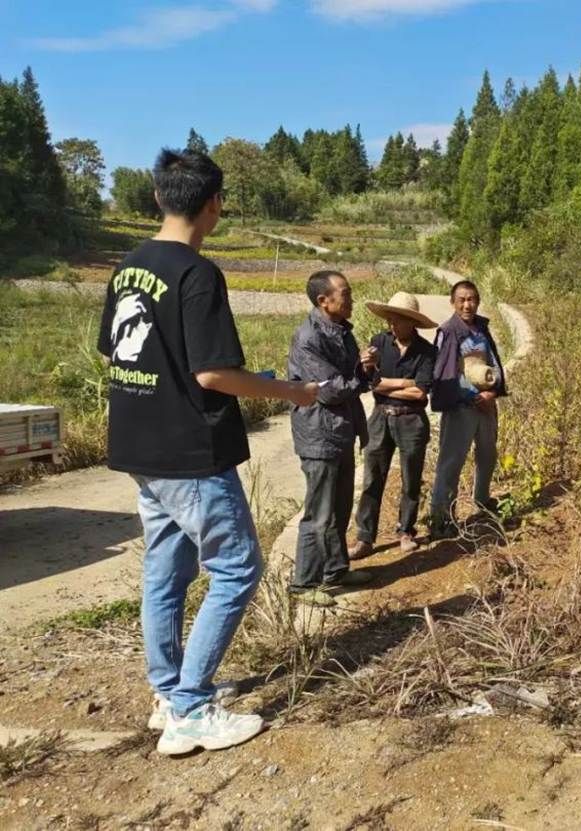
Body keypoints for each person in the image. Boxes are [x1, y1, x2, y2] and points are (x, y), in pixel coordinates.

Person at [96, 148, 318, 755]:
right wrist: (291, 391)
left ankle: (168, 691)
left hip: (139, 446)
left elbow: (113, 350)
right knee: (238, 567)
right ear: (214, 204)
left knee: (166, 571)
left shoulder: (128, 266)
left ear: (158, 198)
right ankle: (190, 710)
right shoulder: (197, 273)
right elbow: (213, 374)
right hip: (191, 451)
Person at [287, 270, 376, 607]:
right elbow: (327, 391)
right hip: (319, 434)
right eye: (345, 293)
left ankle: (335, 571)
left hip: (340, 431)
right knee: (319, 513)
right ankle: (304, 583)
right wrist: (360, 377)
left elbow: (350, 377)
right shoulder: (309, 338)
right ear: (323, 300)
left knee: (339, 507)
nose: (350, 298)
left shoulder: (341, 331)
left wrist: (364, 368)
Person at [351, 292, 437, 559]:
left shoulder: (427, 351)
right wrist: (404, 383)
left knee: (411, 479)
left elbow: (420, 392)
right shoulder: (378, 343)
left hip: (411, 419)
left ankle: (406, 530)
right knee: (372, 478)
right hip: (380, 417)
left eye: (397, 320)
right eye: (390, 319)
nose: (392, 324)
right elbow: (370, 383)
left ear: (411, 322)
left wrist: (386, 384)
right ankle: (365, 537)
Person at [427, 280, 508, 539]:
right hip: (461, 408)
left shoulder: (481, 329)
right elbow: (443, 374)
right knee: (451, 462)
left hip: (486, 405)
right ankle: (441, 519)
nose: (467, 305)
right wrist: (472, 397)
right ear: (452, 303)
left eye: (471, 299)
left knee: (487, 455)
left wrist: (492, 392)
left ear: (478, 301)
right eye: (461, 300)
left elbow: (494, 363)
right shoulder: (448, 332)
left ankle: (482, 502)